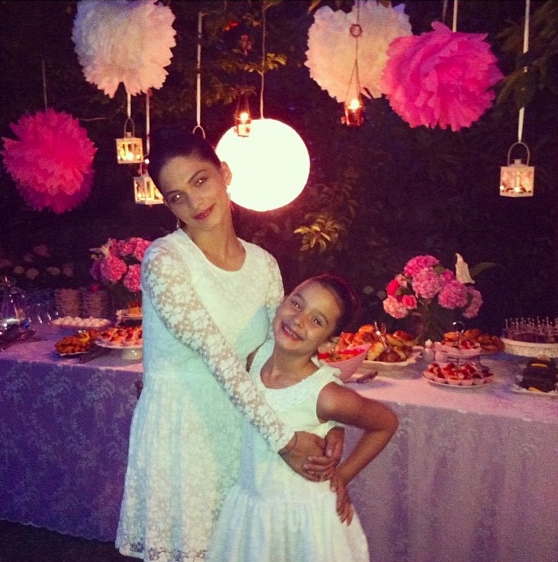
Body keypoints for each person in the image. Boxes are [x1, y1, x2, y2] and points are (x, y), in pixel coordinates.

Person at [115, 128, 344, 562]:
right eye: (177, 196)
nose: (195, 202)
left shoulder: (264, 264)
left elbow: (283, 360)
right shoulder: (164, 260)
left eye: (200, 181)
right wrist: (284, 440)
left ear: (225, 173)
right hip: (184, 430)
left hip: (246, 427)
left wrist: (327, 418)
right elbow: (218, 357)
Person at [207, 273, 399, 562]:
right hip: (251, 511)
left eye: (317, 321)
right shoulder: (255, 356)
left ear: (330, 340)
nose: (298, 320)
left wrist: (343, 475)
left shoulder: (325, 395)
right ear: (283, 301)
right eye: (297, 304)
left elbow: (385, 423)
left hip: (305, 526)